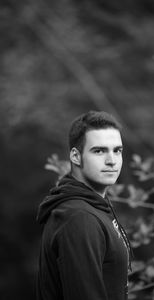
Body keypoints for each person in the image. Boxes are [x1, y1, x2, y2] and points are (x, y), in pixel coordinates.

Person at [36, 110, 132, 300]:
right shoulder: (79, 218)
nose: (112, 161)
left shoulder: (94, 207)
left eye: (117, 150)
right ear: (76, 156)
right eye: (99, 151)